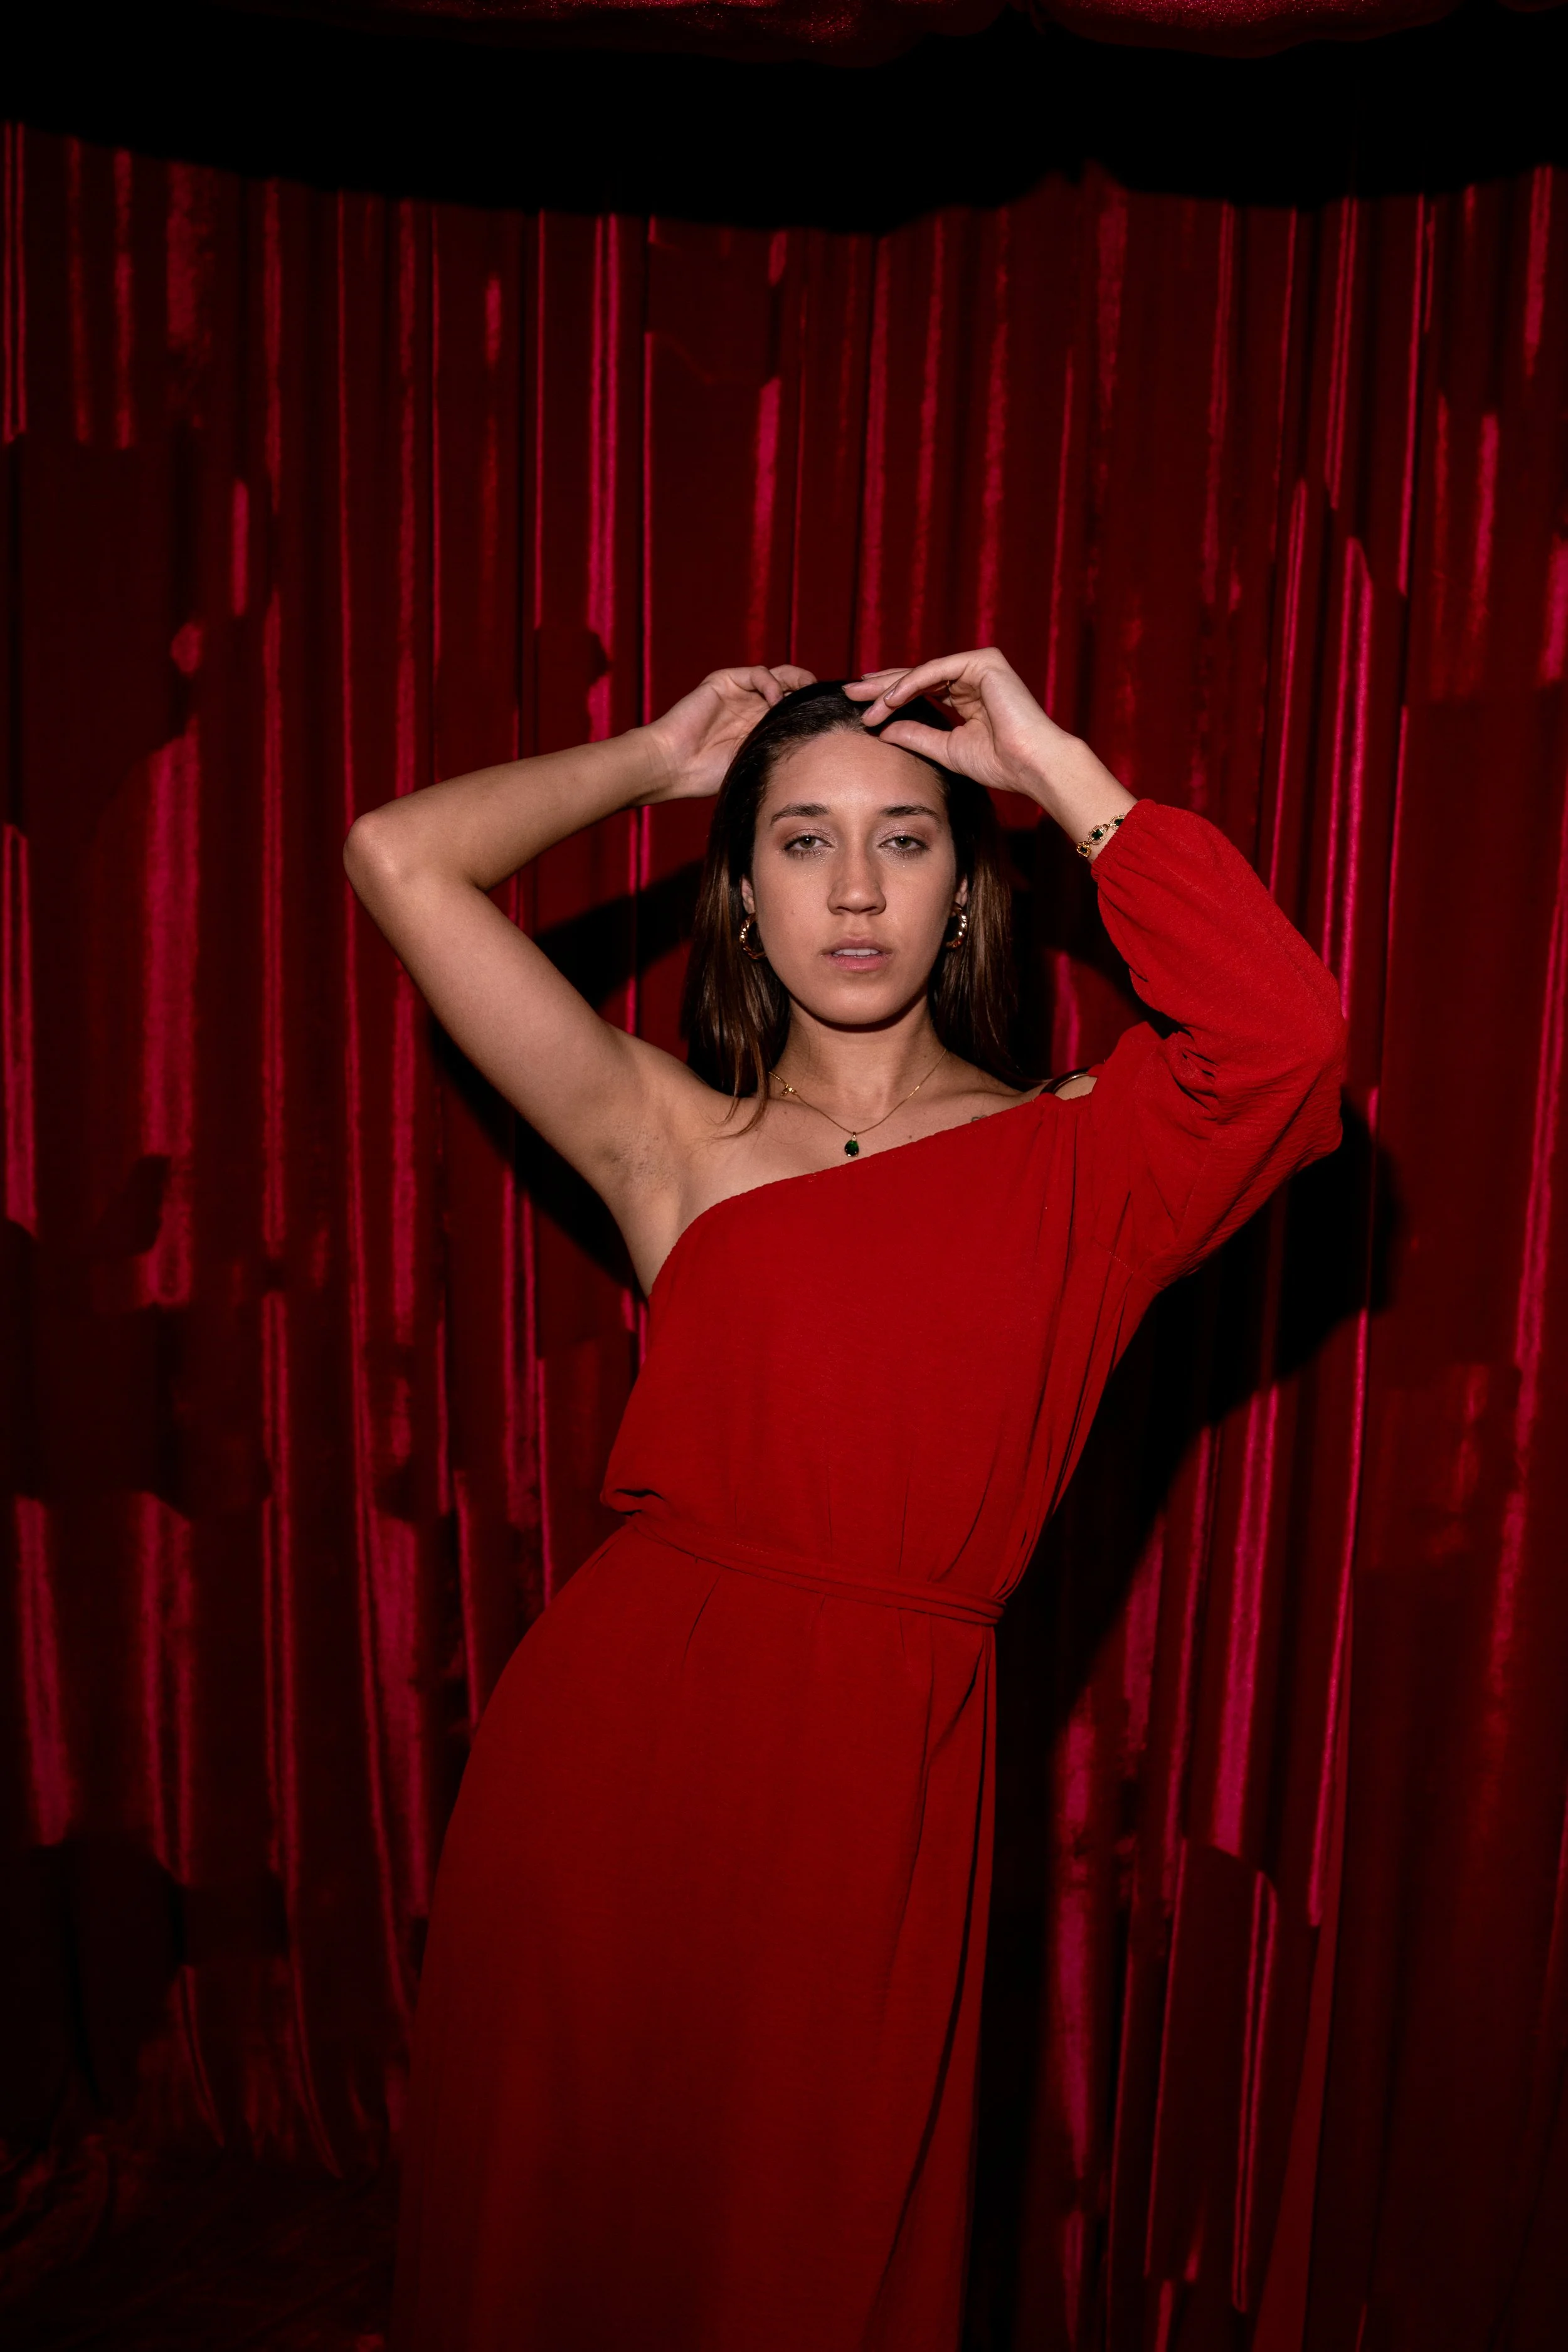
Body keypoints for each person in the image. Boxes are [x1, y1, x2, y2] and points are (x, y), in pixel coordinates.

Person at [344, 648, 1346, 2352]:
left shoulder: (1086, 1155)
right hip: (612, 1750)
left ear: (968, 886)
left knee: (806, 2243)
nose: (858, 884)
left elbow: (1287, 1039)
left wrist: (1053, 763)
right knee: (560, 2206)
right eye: (800, 841)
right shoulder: (670, 1136)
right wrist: (665, 759)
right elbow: (397, 857)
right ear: (739, 893)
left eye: (906, 838)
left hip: (880, 1775)